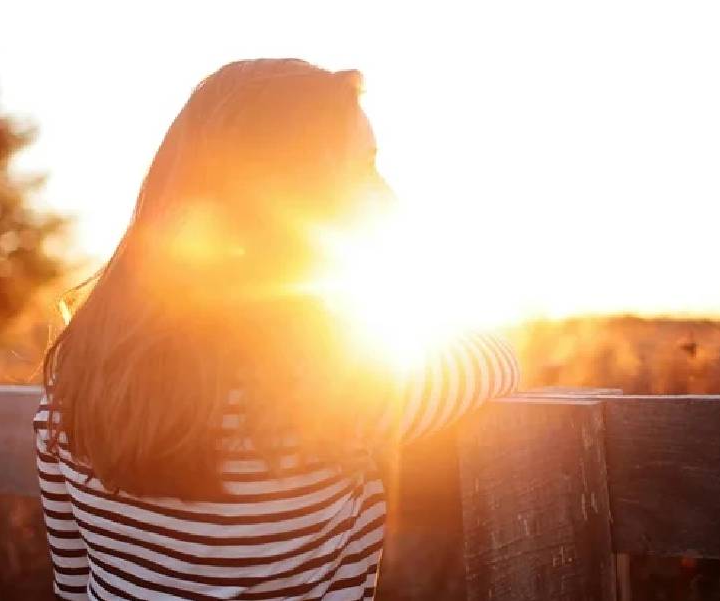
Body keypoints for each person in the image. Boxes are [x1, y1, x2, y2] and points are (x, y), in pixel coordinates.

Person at [34, 58, 519, 600]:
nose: (388, 195)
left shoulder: (72, 376)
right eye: (364, 167)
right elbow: (496, 361)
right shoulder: (331, 383)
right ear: (290, 193)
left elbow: (72, 584)